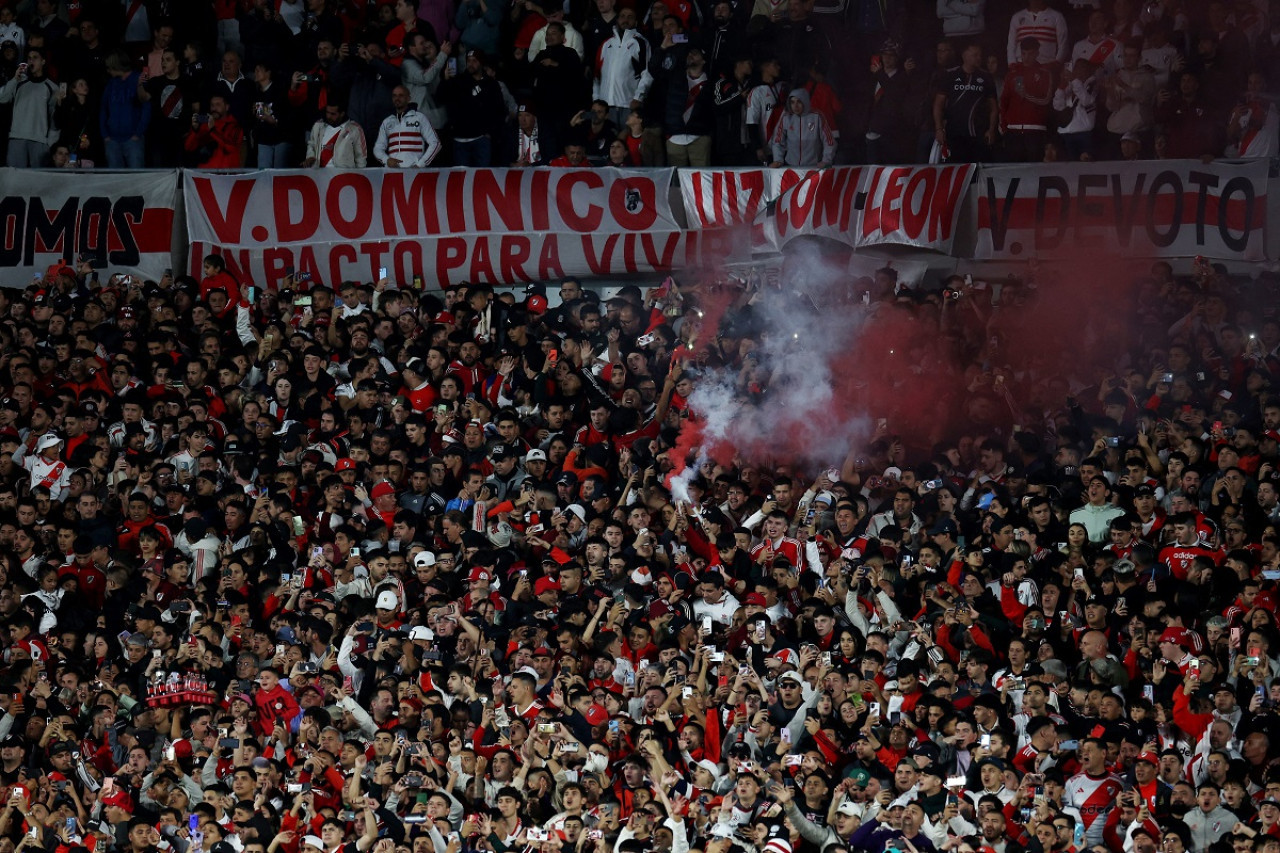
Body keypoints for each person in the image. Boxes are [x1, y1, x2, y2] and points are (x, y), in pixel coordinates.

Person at [933, 41, 998, 162]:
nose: (978, 58)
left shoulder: (986, 77)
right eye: (975, 55)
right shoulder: (950, 75)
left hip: (978, 134)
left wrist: (991, 129)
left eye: (979, 55)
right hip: (954, 133)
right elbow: (938, 105)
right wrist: (939, 129)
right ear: (964, 56)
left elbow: (993, 108)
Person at [0, 46, 60, 167]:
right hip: (17, 137)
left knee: (39, 181)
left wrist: (50, 142)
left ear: (43, 61)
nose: (31, 61)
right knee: (15, 179)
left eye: (35, 58)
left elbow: (54, 118)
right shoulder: (19, 82)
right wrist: (14, 79)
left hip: (40, 140)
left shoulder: (52, 87)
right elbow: (3, 99)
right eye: (29, 58)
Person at [374, 85, 441, 167]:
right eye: (394, 96)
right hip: (393, 173)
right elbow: (378, 148)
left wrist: (420, 164)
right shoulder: (387, 121)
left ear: (408, 98)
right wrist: (386, 160)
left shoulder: (419, 118)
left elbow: (435, 143)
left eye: (401, 95)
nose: (397, 98)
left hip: (414, 172)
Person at [769, 87, 834, 167]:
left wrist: (826, 161)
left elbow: (829, 141)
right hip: (791, 166)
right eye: (792, 102)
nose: (795, 106)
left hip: (814, 167)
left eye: (799, 102)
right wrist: (778, 160)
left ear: (805, 101)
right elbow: (777, 141)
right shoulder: (786, 118)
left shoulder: (817, 116)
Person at [183, 92, 244, 168]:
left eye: (218, 105)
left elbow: (231, 148)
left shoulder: (235, 127)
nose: (214, 108)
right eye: (212, 105)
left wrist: (212, 131)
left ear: (227, 107)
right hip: (205, 175)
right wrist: (194, 130)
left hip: (227, 176)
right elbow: (188, 147)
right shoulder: (204, 124)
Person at [303, 101, 368, 167]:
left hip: (343, 175)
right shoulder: (318, 125)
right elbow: (311, 145)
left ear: (342, 114)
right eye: (327, 112)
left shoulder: (355, 129)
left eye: (332, 114)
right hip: (319, 175)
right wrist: (310, 157)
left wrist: (359, 175)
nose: (328, 116)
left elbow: (361, 158)